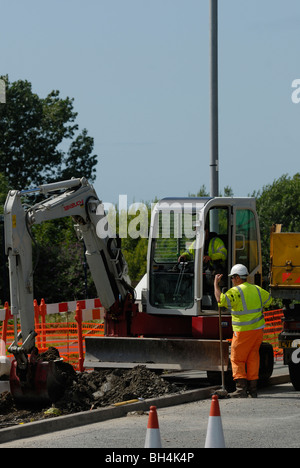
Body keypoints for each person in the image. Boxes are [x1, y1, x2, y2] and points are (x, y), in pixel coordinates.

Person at [214, 264, 272, 398]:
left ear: (238, 277)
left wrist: (215, 285)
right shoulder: (257, 290)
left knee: (236, 358)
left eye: (233, 278)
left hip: (243, 331)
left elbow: (220, 300)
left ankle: (241, 389)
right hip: (257, 331)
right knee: (252, 357)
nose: (232, 280)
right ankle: (253, 389)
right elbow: (269, 300)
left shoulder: (235, 292)